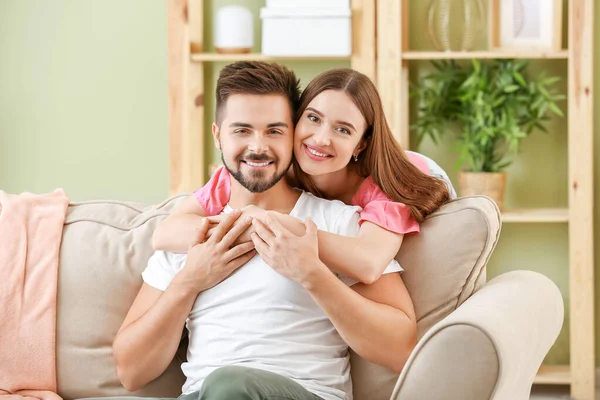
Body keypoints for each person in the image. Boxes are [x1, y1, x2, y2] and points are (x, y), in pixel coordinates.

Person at [112, 61, 417, 400]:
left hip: (302, 393)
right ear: (218, 136)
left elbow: (401, 347)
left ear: (293, 135)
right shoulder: (191, 235)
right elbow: (130, 372)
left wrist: (312, 273)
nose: (258, 147)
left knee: (229, 386)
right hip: (205, 395)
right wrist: (190, 281)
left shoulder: (339, 223)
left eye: (274, 131)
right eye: (242, 130)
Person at [152, 67, 452, 285]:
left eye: (343, 129)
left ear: (361, 142)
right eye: (313, 118)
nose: (320, 139)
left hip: (417, 176)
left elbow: (368, 263)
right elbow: (165, 233)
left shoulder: (388, 183)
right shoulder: (275, 165)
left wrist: (274, 224)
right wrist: (253, 225)